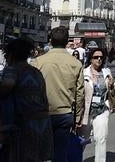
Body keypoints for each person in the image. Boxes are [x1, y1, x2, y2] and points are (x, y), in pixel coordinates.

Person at [0, 37, 53, 162]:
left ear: (11, 55)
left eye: (6, 55)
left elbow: (3, 89)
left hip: (17, 131)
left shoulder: (12, 70)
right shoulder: (36, 73)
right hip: (39, 129)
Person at [31, 26, 85, 162]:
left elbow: (31, 89)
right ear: (67, 41)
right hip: (64, 113)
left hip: (41, 113)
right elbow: (80, 93)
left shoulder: (38, 62)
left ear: (50, 41)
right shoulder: (76, 63)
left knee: (39, 151)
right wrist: (77, 117)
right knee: (60, 153)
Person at [80, 48, 112, 162]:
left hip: (102, 110)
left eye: (101, 57)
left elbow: (111, 91)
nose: (99, 59)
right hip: (86, 111)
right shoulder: (84, 73)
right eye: (96, 57)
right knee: (82, 139)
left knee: (101, 139)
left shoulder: (106, 72)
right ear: (90, 59)